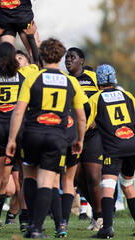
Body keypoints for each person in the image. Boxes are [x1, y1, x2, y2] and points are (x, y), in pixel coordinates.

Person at [6, 38, 87, 238]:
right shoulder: (71, 81)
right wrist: (80, 139)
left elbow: (18, 112)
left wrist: (12, 140)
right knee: (47, 182)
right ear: (60, 58)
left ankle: (32, 221)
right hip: (56, 137)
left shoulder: (32, 78)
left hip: (32, 134)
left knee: (30, 177)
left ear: (41, 56)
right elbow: (81, 116)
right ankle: (36, 228)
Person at [0, 41, 39, 233]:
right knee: (24, 176)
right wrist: (29, 39)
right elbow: (37, 61)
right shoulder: (25, 74)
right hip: (19, 128)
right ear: (14, 58)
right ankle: (26, 219)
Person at [87, 64, 135, 239]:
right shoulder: (128, 95)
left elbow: (84, 124)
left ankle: (107, 228)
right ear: (114, 79)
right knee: (128, 185)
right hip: (132, 145)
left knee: (107, 185)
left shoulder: (96, 98)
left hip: (113, 147)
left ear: (97, 82)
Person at [65, 47, 103, 231]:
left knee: (93, 177)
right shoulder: (65, 81)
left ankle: (101, 216)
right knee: (79, 179)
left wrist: (97, 118)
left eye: (72, 57)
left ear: (82, 60)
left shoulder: (92, 77)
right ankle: (97, 214)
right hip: (73, 135)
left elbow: (105, 96)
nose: (68, 60)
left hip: (92, 135)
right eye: (66, 57)